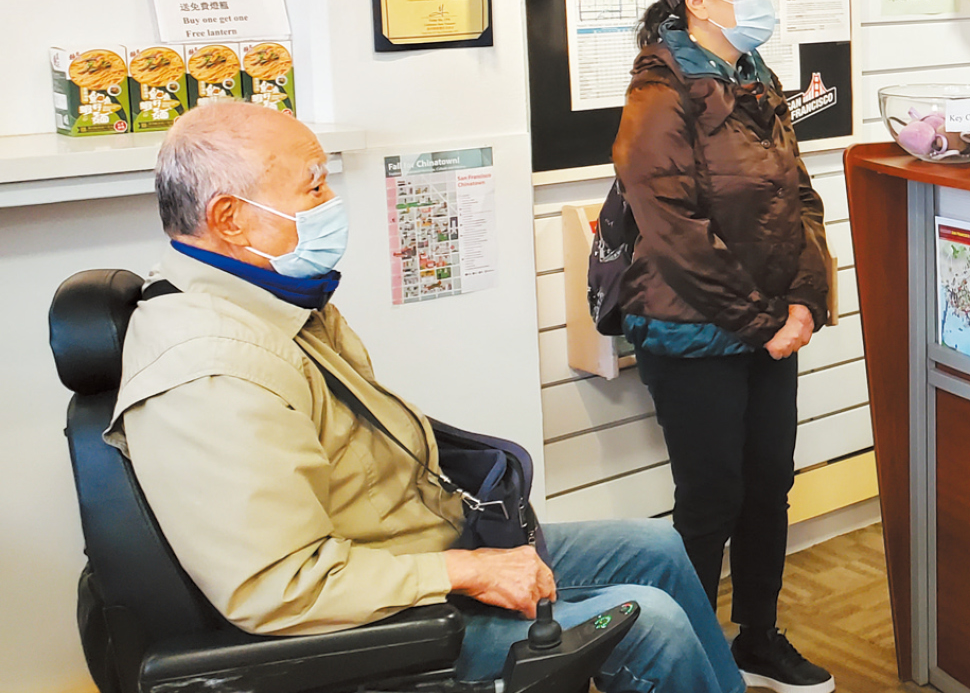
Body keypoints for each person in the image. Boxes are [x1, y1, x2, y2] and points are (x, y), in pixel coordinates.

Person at [112, 101, 742, 693]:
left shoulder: (279, 306)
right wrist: (466, 571)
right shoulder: (213, 370)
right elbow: (281, 586)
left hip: (420, 545)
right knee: (649, 621)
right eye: (314, 188)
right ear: (230, 218)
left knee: (656, 549)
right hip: (385, 619)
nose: (331, 204)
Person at [612, 0, 835, 693]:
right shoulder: (659, 92)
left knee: (769, 484)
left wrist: (804, 300)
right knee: (711, 500)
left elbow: (796, 193)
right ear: (698, 2)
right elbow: (672, 230)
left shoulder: (753, 76)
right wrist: (762, 322)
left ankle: (758, 639)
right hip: (689, 330)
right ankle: (689, 656)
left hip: (769, 326)